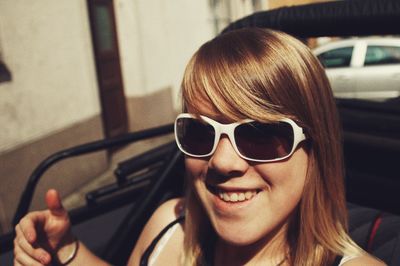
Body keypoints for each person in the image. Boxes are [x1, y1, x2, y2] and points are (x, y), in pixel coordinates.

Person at [13, 28, 385, 266]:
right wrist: (67, 250)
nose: (221, 161)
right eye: (200, 133)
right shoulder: (169, 226)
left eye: (260, 135)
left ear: (316, 146)